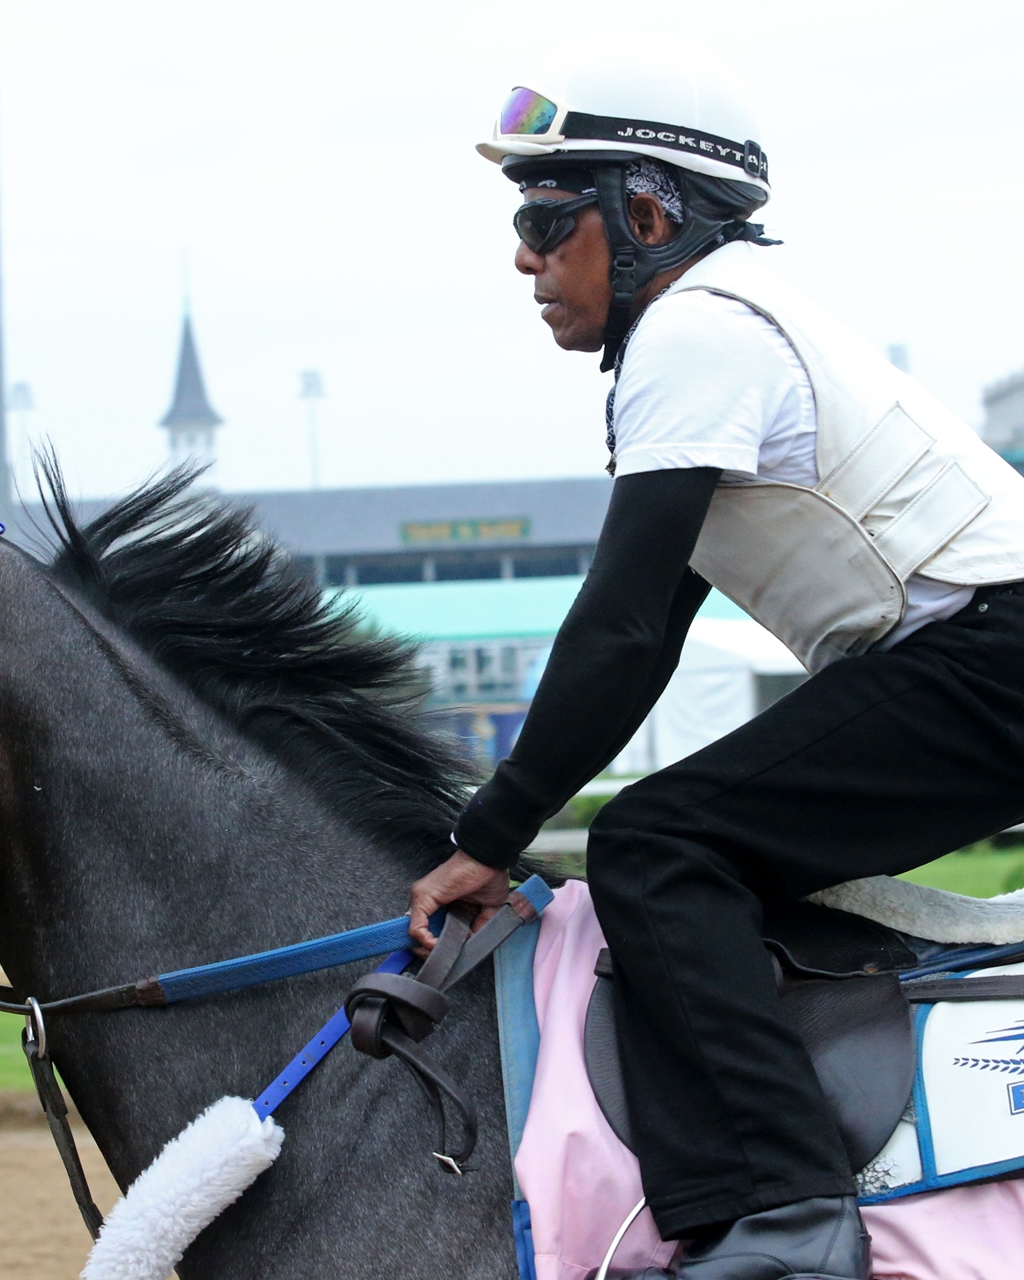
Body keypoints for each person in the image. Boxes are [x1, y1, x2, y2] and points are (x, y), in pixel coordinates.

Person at [407, 50, 1024, 1280]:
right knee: (694, 843)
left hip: (989, 660)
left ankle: (784, 1217)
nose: (524, 258)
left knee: (653, 843)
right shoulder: (710, 328)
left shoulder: (694, 331)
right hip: (978, 659)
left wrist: (492, 829)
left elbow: (622, 621)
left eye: (544, 218)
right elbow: (649, 634)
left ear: (646, 215)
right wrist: (509, 819)